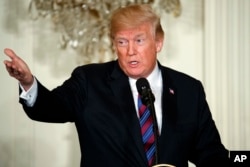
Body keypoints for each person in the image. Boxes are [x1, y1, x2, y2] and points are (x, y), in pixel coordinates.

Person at [3, 4, 229, 167]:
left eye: (139, 40)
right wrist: (28, 82)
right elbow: (50, 107)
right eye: (122, 42)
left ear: (158, 42)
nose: (130, 50)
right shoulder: (89, 81)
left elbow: (211, 154)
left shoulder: (189, 89)